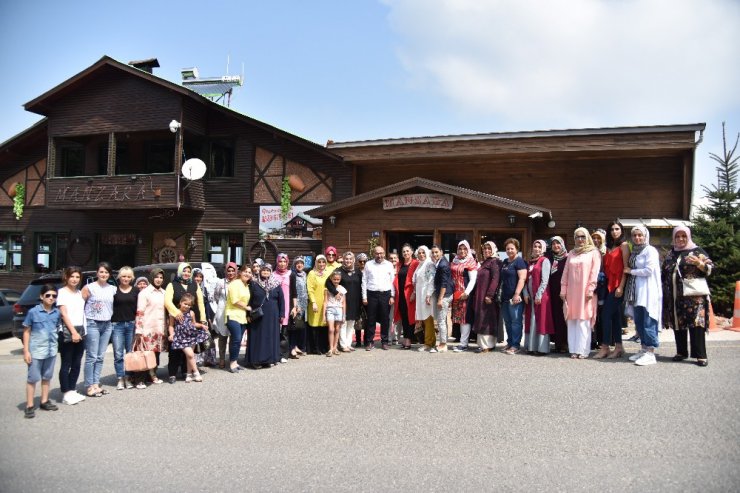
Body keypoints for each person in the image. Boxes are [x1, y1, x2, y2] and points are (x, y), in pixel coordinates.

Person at [662, 226, 712, 367]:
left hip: (694, 297)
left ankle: (700, 355)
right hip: (675, 296)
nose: (680, 239)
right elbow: (664, 272)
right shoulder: (671, 253)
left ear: (688, 236)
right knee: (679, 324)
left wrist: (699, 263)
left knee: (696, 324)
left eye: (684, 236)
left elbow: (710, 269)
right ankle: (681, 352)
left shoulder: (697, 251)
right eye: (677, 236)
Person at [624, 225, 663, 366]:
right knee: (639, 321)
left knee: (648, 321)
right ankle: (643, 349)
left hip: (648, 291)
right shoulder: (635, 251)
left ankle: (651, 352)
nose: (637, 238)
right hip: (636, 292)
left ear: (645, 236)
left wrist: (631, 271)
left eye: (640, 235)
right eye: (634, 235)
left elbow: (649, 270)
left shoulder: (650, 250)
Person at [561, 228, 602, 359]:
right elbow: (565, 273)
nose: (580, 239)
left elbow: (594, 273)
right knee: (572, 320)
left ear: (587, 237)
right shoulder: (571, 253)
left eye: (583, 237)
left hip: (585, 292)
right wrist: (563, 290)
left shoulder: (594, 252)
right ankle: (573, 349)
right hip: (571, 292)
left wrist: (591, 289)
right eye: (577, 237)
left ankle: (583, 350)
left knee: (583, 320)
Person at [164, 263, 207, 383]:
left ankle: (185, 371)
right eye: (184, 271)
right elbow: (167, 301)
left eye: (188, 271)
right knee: (175, 348)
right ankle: (172, 373)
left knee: (189, 348)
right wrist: (176, 313)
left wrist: (202, 319)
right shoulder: (172, 284)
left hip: (191, 318)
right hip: (177, 319)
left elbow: (200, 302)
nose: (186, 273)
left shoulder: (194, 284)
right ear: (179, 272)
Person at [22, 284, 61, 418]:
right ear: (41, 296)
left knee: (47, 377)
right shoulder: (33, 312)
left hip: (51, 350)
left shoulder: (57, 313)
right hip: (36, 351)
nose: (51, 298)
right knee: (32, 378)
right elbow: (26, 331)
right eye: (48, 295)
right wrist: (26, 351)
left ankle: (44, 401)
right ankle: (29, 405)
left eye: (54, 296)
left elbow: (57, 329)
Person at [82, 262, 116, 397]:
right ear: (97, 273)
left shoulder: (113, 289)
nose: (104, 274)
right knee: (92, 356)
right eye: (101, 272)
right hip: (92, 323)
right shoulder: (89, 287)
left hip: (107, 324)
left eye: (106, 272)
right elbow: (80, 305)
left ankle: (96, 384)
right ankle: (89, 385)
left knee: (100, 356)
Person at [598, 221, 628, 359]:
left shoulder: (624, 245)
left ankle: (605, 347)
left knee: (605, 315)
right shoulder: (608, 247)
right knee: (615, 317)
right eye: (612, 229)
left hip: (617, 286)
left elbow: (626, 269)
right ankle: (619, 347)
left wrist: (621, 286)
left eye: (617, 229)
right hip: (608, 285)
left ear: (621, 230)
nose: (614, 231)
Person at [57, 266, 87, 405]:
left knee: (76, 363)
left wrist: (81, 332)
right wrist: (73, 332)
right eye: (72, 276)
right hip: (68, 331)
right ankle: (65, 392)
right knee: (66, 363)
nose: (74, 279)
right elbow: (64, 314)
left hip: (81, 330)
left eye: (77, 277)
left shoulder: (79, 293)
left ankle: (72, 389)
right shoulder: (62, 292)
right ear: (66, 277)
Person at [134, 268, 167, 388]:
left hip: (160, 328)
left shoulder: (164, 293)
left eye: (161, 277)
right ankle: (139, 380)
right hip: (147, 328)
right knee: (144, 354)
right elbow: (140, 312)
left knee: (156, 354)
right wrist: (138, 330)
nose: (158, 280)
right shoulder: (145, 293)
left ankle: (152, 375)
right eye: (156, 277)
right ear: (152, 277)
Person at [325, 251, 363, 352]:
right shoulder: (338, 271)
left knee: (351, 323)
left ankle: (349, 343)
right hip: (343, 302)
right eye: (346, 259)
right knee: (343, 323)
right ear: (343, 260)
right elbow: (328, 282)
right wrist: (335, 292)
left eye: (350, 259)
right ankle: (343, 344)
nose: (348, 261)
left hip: (355, 301)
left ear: (353, 260)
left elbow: (362, 285)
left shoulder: (358, 272)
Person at [248, 264, 284, 368]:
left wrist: (282, 314)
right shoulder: (254, 283)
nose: (265, 272)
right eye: (263, 270)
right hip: (258, 315)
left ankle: (268, 360)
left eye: (268, 270)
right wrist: (248, 314)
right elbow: (249, 299)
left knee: (270, 337)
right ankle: (256, 360)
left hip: (272, 315)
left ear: (271, 271)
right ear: (260, 271)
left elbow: (281, 300)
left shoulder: (276, 284)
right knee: (258, 337)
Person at [167, 293, 209, 383]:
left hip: (191, 335)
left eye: (189, 305)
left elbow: (193, 324)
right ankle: (196, 373)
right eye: (185, 304)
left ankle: (189, 375)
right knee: (190, 355)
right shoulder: (174, 313)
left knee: (189, 356)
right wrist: (171, 334)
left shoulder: (191, 313)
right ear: (180, 303)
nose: (187, 306)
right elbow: (171, 326)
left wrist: (201, 325)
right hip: (181, 337)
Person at [361, 246, 396, 350]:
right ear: (373, 254)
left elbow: (392, 281)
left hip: (385, 294)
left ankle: (384, 341)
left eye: (381, 253)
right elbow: (364, 281)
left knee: (385, 319)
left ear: (384, 253)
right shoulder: (368, 264)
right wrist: (364, 297)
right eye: (377, 253)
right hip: (371, 294)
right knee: (371, 319)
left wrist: (392, 296)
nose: (379, 255)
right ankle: (369, 342)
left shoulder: (389, 265)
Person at [470, 241, 501, 352]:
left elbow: (495, 279)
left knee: (488, 319)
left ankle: (488, 345)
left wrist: (490, 295)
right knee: (481, 318)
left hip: (488, 296)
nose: (486, 251)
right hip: (480, 295)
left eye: (489, 248)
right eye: (485, 249)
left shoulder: (495, 262)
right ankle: (483, 344)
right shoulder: (484, 263)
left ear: (493, 250)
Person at [524, 240, 553, 355]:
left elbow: (545, 280)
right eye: (535, 246)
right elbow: (526, 280)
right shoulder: (530, 262)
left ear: (543, 249)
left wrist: (539, 294)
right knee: (532, 320)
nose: (536, 248)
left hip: (540, 295)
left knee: (540, 320)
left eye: (539, 247)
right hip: (530, 296)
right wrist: (525, 293)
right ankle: (531, 346)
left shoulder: (544, 261)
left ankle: (542, 348)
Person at [111, 266, 138, 390]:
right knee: (118, 353)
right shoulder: (113, 290)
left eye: (128, 276)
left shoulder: (136, 291)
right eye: (123, 276)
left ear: (131, 278)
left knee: (129, 353)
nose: (126, 278)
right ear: (119, 277)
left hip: (131, 324)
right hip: (117, 325)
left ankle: (128, 377)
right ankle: (120, 378)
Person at [500, 239, 528, 355]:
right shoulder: (505, 261)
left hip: (515, 298)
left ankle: (516, 345)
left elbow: (522, 278)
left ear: (517, 249)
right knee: (507, 322)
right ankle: (510, 342)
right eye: (507, 248)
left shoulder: (520, 262)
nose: (509, 250)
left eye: (512, 248)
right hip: (505, 297)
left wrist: (517, 294)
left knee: (516, 322)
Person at [451, 240, 479, 352]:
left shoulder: (471, 262)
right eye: (460, 249)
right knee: (458, 318)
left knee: (465, 319)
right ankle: (461, 342)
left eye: (464, 249)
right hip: (456, 292)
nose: (462, 251)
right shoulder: (455, 261)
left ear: (468, 250)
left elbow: (473, 280)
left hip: (465, 293)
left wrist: (466, 293)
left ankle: (464, 344)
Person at [225, 265, 252, 373]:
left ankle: (235, 362)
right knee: (236, 338)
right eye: (245, 271)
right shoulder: (235, 283)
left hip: (242, 317)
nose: (247, 274)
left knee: (238, 340)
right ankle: (232, 363)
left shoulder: (246, 285)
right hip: (232, 315)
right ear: (240, 272)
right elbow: (234, 300)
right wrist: (247, 307)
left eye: (250, 272)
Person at [213, 262, 237, 369]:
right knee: (222, 336)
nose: (231, 273)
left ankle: (232, 358)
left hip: (235, 311)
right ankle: (222, 358)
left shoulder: (239, 282)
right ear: (226, 271)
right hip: (222, 310)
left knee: (233, 335)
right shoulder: (220, 282)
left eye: (233, 270)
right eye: (229, 270)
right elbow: (216, 296)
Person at [193, 267, 218, 369]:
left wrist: (208, 318)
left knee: (207, 337)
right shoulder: (190, 287)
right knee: (194, 339)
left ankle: (209, 359)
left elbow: (207, 304)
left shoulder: (205, 288)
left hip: (203, 317)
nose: (198, 279)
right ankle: (195, 361)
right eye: (196, 276)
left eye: (200, 277)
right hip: (192, 316)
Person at [394, 243, 419, 349]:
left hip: (410, 294)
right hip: (401, 295)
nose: (405, 253)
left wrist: (414, 292)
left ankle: (409, 339)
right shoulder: (399, 264)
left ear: (412, 252)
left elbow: (418, 279)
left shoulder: (416, 263)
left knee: (410, 317)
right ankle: (406, 338)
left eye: (407, 251)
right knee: (404, 316)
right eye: (404, 251)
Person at [413, 246, 436, 352]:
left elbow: (431, 280)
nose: (421, 254)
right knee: (424, 318)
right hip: (420, 294)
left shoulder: (429, 264)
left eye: (423, 252)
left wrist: (428, 295)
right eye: (419, 253)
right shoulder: (420, 265)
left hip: (427, 295)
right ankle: (428, 341)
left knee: (428, 318)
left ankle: (429, 343)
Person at [547, 236, 569, 353]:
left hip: (564, 292)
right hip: (552, 291)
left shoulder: (567, 258)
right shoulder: (549, 258)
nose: (556, 246)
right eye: (554, 244)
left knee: (563, 317)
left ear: (562, 244)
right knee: (555, 317)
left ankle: (565, 343)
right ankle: (557, 343)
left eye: (558, 243)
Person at [430, 245, 453, 352]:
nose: (434, 254)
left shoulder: (443, 265)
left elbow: (444, 284)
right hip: (445, 294)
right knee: (442, 319)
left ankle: (443, 344)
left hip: (444, 295)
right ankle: (444, 342)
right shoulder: (440, 262)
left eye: (436, 252)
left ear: (441, 252)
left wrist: (440, 299)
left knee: (441, 320)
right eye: (433, 252)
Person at [307, 255, 331, 354]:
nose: (321, 264)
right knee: (315, 325)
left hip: (326, 302)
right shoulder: (312, 273)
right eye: (319, 262)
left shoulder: (328, 273)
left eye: (323, 262)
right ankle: (315, 348)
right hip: (315, 302)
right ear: (316, 263)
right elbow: (310, 289)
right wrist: (313, 302)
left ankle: (324, 347)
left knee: (324, 325)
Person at [273, 253, 293, 362]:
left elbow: (294, 292)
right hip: (275, 307)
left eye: (284, 261)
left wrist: (295, 307)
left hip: (286, 307)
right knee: (274, 332)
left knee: (284, 333)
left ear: (287, 262)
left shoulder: (290, 274)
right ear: (277, 262)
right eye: (280, 261)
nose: (282, 264)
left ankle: (284, 354)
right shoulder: (272, 275)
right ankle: (274, 353)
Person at [289, 256, 308, 357]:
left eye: (301, 263)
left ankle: (300, 346)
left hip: (305, 304)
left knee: (301, 327)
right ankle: (292, 346)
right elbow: (293, 291)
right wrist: (296, 306)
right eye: (297, 263)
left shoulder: (305, 274)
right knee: (295, 326)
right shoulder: (292, 275)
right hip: (296, 304)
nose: (299, 265)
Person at [324, 270, 346, 356]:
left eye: (338, 279)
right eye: (334, 279)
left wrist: (344, 315)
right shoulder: (327, 289)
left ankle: (335, 347)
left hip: (339, 310)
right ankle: (330, 348)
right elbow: (325, 302)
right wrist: (324, 315)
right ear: (331, 279)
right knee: (331, 329)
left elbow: (344, 303)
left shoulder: (342, 289)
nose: (336, 281)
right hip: (330, 309)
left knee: (337, 329)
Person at [354, 253, 369, 348]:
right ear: (358, 262)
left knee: (367, 320)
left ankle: (367, 340)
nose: (362, 263)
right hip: (357, 298)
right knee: (358, 320)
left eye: (364, 261)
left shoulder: (370, 271)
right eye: (360, 261)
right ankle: (358, 341)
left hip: (368, 298)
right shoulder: (355, 272)